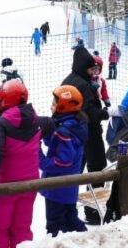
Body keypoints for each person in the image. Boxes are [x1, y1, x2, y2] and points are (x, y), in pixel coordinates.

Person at [0, 80, 40, 248]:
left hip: (5, 187)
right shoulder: (36, 120)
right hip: (30, 186)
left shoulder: (2, 123)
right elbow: (51, 124)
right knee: (22, 229)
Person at [61, 46, 108, 224]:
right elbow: (90, 113)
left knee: (74, 173)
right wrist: (105, 113)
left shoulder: (68, 80)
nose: (92, 72)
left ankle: (67, 211)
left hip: (72, 135)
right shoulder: (83, 84)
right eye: (90, 69)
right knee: (97, 171)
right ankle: (94, 212)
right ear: (82, 67)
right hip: (88, 133)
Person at [39, 85, 88, 237]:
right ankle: (87, 240)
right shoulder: (74, 124)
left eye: (54, 104)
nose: (51, 106)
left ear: (63, 107)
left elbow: (62, 162)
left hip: (57, 188)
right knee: (70, 219)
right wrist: (48, 134)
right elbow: (57, 145)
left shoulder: (64, 131)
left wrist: (38, 156)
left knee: (55, 226)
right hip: (68, 188)